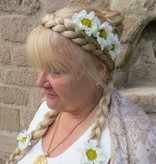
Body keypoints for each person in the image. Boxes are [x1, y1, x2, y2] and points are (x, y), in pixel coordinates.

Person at [6, 6, 156, 164]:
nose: (39, 82)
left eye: (56, 71)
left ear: (99, 70)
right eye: (40, 67)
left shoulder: (136, 141)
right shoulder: (46, 109)